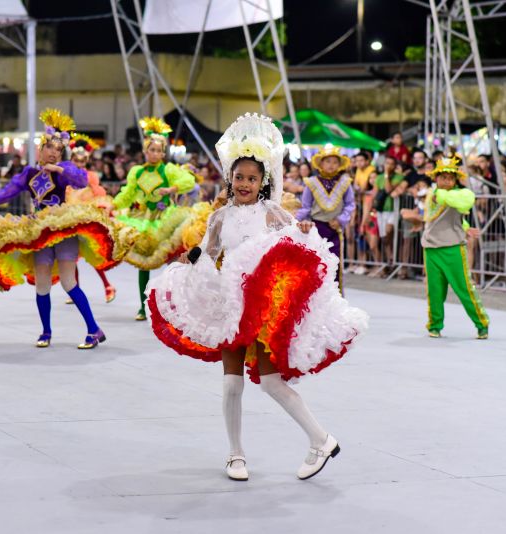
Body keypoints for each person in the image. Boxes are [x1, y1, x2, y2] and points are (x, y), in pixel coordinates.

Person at [147, 113, 369, 481]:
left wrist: (303, 229)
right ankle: (235, 454)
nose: (245, 183)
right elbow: (208, 248)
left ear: (264, 181)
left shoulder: (272, 213)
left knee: (269, 380)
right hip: (228, 304)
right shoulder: (220, 217)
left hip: (261, 308)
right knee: (231, 382)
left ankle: (321, 438)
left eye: (252, 178)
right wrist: (192, 256)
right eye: (239, 177)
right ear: (230, 179)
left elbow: (292, 240)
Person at [0, 109, 128, 349]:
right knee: (42, 284)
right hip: (39, 232)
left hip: (62, 229)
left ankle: (94, 329)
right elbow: (8, 191)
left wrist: (59, 169)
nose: (53, 152)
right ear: (40, 148)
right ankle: (46, 332)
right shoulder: (29, 173)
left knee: (69, 282)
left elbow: (82, 180)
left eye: (58, 149)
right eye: (49, 147)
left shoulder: (63, 172)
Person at [112, 117, 196, 321]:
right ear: (145, 151)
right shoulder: (137, 171)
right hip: (142, 220)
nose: (156, 154)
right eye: (152, 150)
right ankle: (142, 307)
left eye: (159, 150)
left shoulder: (168, 169)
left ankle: (173, 305)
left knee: (171, 263)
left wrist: (171, 189)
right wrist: (113, 205)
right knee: (144, 263)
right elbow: (127, 194)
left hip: (164, 219)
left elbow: (188, 181)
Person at [422, 155, 489, 340]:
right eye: (443, 177)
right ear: (436, 178)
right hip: (431, 248)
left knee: (464, 288)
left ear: (455, 180)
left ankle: (482, 323)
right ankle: (434, 325)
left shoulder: (460, 194)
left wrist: (464, 227)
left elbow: (464, 203)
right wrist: (465, 226)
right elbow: (438, 214)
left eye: (450, 178)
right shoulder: (433, 194)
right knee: (435, 291)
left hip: (453, 248)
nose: (446, 181)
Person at [64, 135, 118, 303]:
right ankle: (75, 291)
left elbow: (98, 196)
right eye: (76, 161)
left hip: (87, 222)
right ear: (71, 160)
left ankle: (108, 286)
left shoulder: (91, 177)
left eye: (82, 161)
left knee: (93, 255)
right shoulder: (65, 177)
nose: (79, 164)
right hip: (69, 220)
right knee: (71, 257)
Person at [295, 145, 355, 293]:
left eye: (335, 162)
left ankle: (335, 299)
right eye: (327, 161)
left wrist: (341, 219)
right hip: (315, 229)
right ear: (320, 163)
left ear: (340, 165)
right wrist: (294, 221)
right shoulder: (311, 182)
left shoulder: (345, 182)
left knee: (334, 264)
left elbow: (350, 204)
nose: (331, 165)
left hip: (334, 229)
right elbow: (306, 207)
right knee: (315, 265)